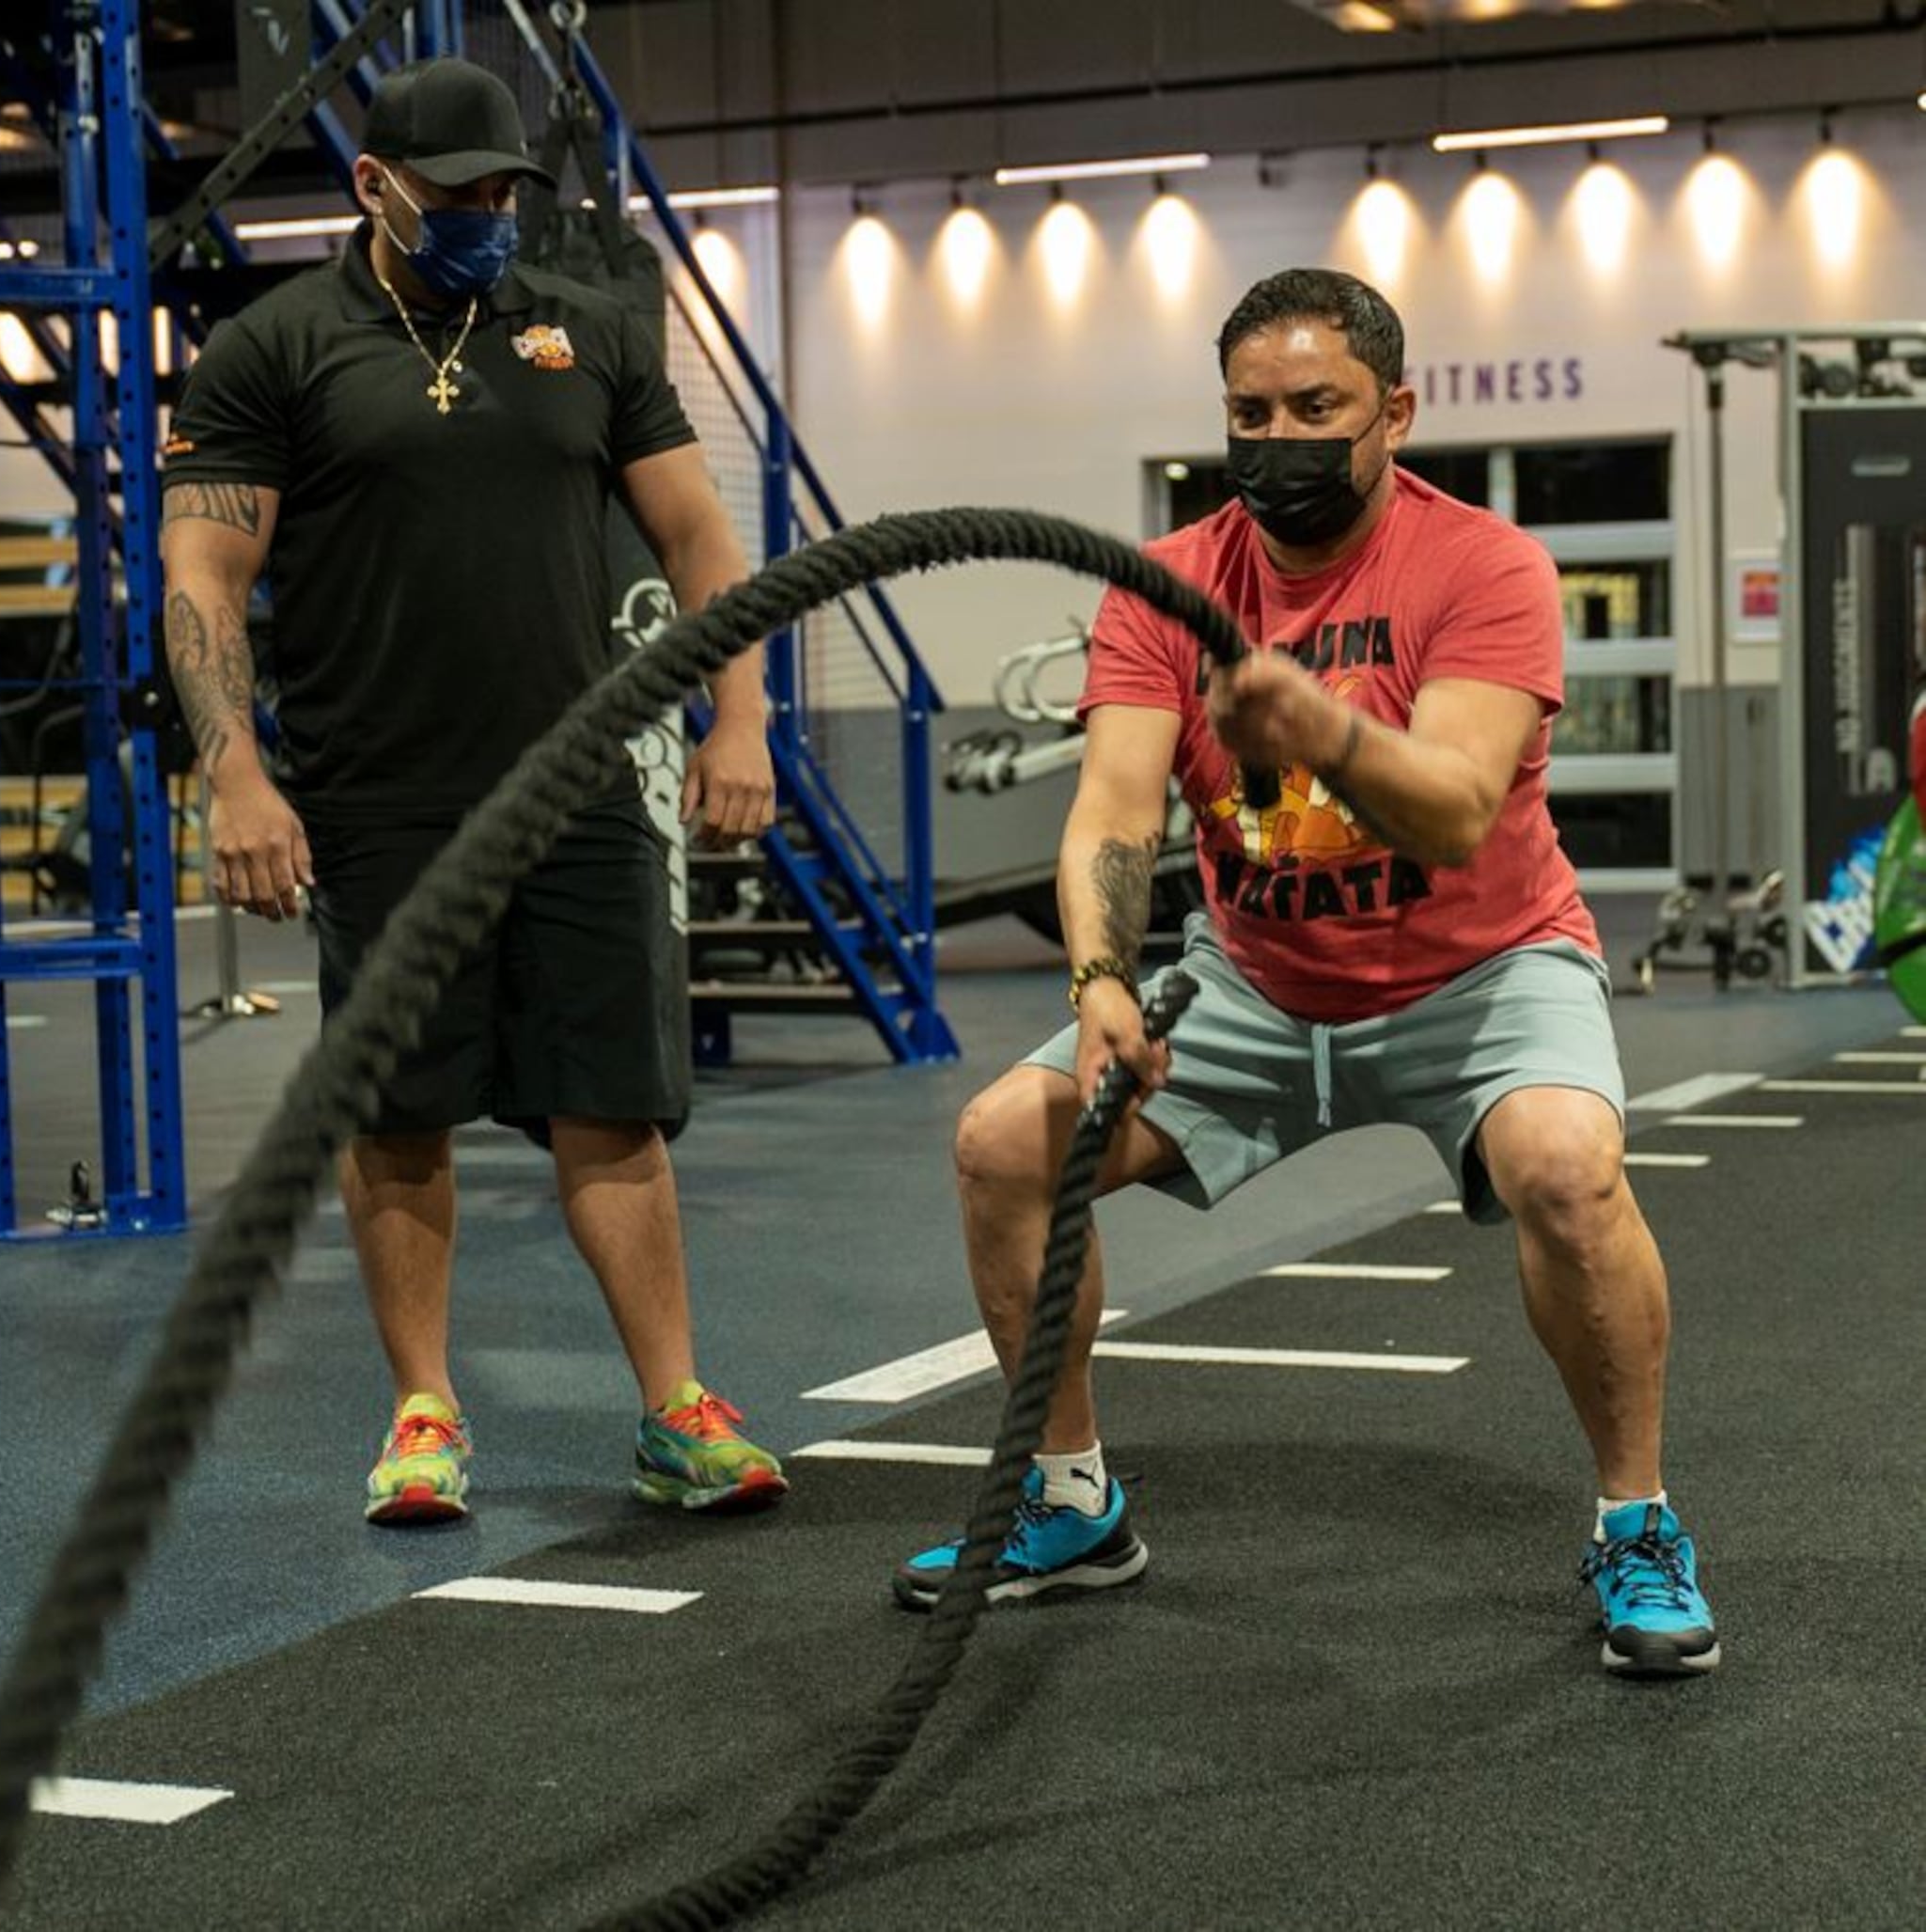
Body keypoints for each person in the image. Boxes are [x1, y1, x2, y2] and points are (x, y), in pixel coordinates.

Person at [895, 267, 1718, 1678]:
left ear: (1394, 412)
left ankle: (1637, 1524)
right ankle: (1075, 1502)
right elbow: (1112, 810)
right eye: (1249, 412)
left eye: (1315, 408)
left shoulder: (1484, 566)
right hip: (1256, 985)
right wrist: (1100, 977)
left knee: (1571, 1172)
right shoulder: (1167, 587)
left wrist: (1324, 732)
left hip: (1484, 968)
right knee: (999, 1149)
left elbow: (1457, 808)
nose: (1277, 437)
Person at [158, 57, 787, 1527]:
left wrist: (738, 716)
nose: (490, 218)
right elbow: (206, 577)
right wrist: (234, 776)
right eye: (458, 197)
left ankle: (676, 1408)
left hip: (576, 784)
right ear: (376, 188)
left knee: (610, 1105)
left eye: (506, 193)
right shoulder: (274, 348)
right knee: (400, 1115)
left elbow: (701, 536)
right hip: (379, 795)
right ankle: (425, 1413)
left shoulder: (595, 333)